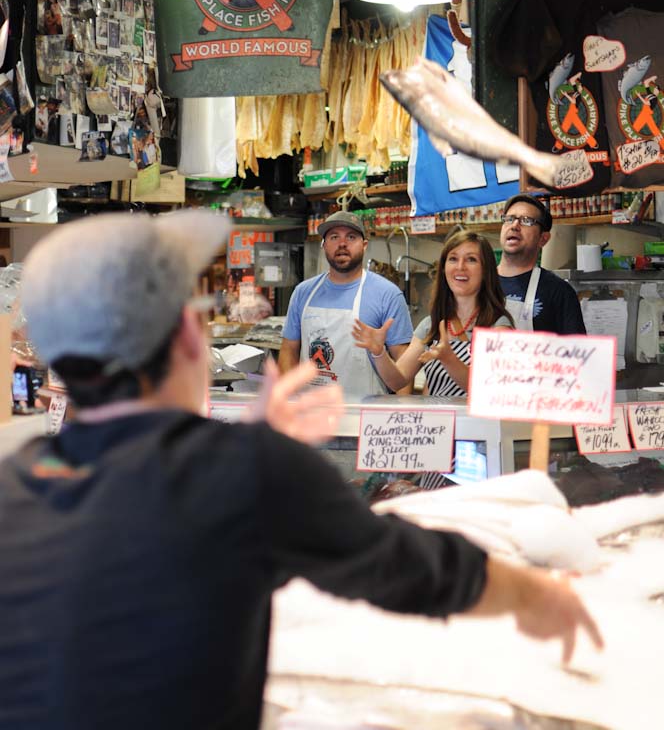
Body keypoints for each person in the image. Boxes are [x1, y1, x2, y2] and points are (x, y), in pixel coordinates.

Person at [0, 209, 602, 730]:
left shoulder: (17, 476)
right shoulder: (243, 472)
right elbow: (404, 568)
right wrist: (536, 595)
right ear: (188, 338)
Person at [353, 229, 513, 399]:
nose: (460, 267)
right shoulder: (431, 325)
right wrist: (379, 352)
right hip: (439, 424)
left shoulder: (499, 327)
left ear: (485, 271)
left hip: (477, 425)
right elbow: (397, 380)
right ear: (444, 269)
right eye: (453, 259)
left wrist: (449, 358)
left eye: (471, 260)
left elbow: (486, 387)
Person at [279, 210, 413, 395]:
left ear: (364, 245)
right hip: (311, 411)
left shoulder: (388, 295)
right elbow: (288, 350)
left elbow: (404, 368)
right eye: (334, 237)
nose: (342, 244)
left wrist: (397, 417)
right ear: (324, 245)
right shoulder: (303, 292)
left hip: (365, 416)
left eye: (351, 237)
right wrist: (290, 398)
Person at [497, 193, 586, 334]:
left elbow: (577, 353)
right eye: (509, 219)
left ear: (543, 239)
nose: (514, 225)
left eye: (526, 221)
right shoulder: (478, 282)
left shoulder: (560, 292)